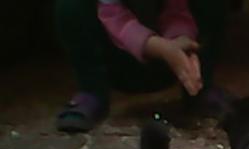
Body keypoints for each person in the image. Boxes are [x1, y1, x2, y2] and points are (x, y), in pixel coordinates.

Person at [55, 0, 230, 132]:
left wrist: (182, 44)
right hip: (116, 61)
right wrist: (160, 48)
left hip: (169, 63)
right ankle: (92, 91)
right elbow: (113, 16)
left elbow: (177, 10)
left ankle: (199, 89)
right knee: (71, 5)